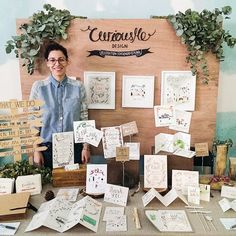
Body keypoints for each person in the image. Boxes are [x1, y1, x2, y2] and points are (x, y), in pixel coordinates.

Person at [30, 42, 90, 169]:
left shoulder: (78, 87)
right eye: (52, 60)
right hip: (46, 148)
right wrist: (36, 150)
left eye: (61, 59)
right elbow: (33, 122)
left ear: (67, 62)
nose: (57, 64)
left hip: (74, 147)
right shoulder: (38, 88)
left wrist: (86, 147)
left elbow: (84, 119)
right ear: (47, 63)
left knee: (74, 186)